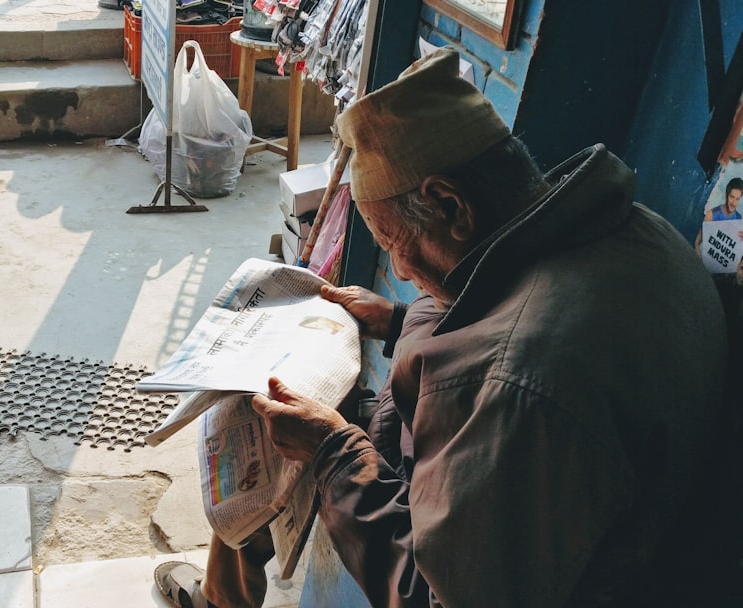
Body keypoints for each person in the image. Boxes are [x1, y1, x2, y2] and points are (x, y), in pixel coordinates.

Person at [154, 46, 733, 607]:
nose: (399, 269)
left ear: (451, 205)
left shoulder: (524, 387)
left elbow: (435, 595)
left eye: (392, 244)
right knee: (263, 411)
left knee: (280, 436)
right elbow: (503, 306)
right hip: (556, 508)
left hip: (565, 568)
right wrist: (400, 318)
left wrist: (335, 453)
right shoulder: (628, 229)